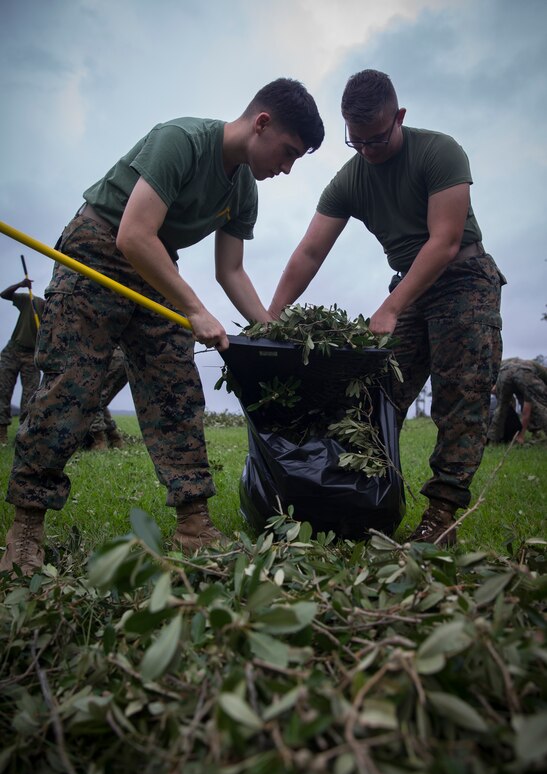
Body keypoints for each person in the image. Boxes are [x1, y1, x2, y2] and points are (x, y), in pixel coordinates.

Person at [1, 78, 324, 575]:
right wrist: (195, 309)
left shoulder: (243, 190)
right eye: (288, 152)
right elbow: (133, 233)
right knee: (72, 386)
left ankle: (195, 523)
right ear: (262, 124)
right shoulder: (181, 140)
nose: (285, 167)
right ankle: (25, 527)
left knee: (175, 387)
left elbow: (231, 271)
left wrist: (270, 329)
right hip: (99, 246)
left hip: (156, 266)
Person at [269, 69, 505, 546]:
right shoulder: (351, 178)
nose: (367, 151)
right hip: (410, 290)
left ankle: (442, 516)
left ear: (399, 117)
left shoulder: (440, 152)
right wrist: (271, 317)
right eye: (355, 142)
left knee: (461, 397)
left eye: (375, 139)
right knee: (373, 397)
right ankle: (359, 503)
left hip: (463, 279)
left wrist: (391, 307)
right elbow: (310, 252)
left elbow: (444, 241)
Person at [0, 278, 45, 444]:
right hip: (13, 351)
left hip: (32, 357)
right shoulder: (31, 301)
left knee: (30, 397)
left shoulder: (59, 318)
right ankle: (1, 432)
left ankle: (23, 435)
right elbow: (4, 295)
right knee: (3, 391)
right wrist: (20, 285)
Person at [488, 358, 547, 445]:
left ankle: (493, 439)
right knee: (541, 405)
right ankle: (524, 435)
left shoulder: (500, 365)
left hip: (503, 373)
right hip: (523, 373)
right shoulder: (541, 373)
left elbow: (495, 389)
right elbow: (527, 409)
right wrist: (521, 435)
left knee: (501, 408)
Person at [84, 346, 128, 450]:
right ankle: (114, 439)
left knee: (94, 398)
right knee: (101, 400)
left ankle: (98, 441)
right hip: (124, 356)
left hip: (114, 356)